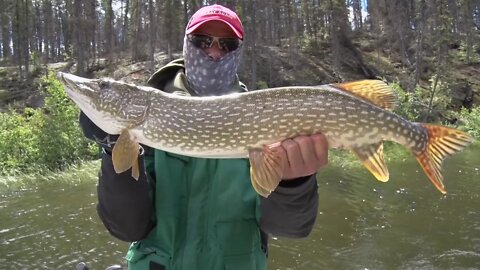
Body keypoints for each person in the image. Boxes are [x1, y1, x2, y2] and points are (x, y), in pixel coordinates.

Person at [80, 4, 328, 270]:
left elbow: (290, 229)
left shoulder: (262, 120)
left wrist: (294, 184)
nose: (214, 51)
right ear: (187, 45)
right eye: (202, 41)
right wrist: (111, 147)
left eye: (227, 44)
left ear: (238, 51)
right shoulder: (150, 114)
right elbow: (127, 227)